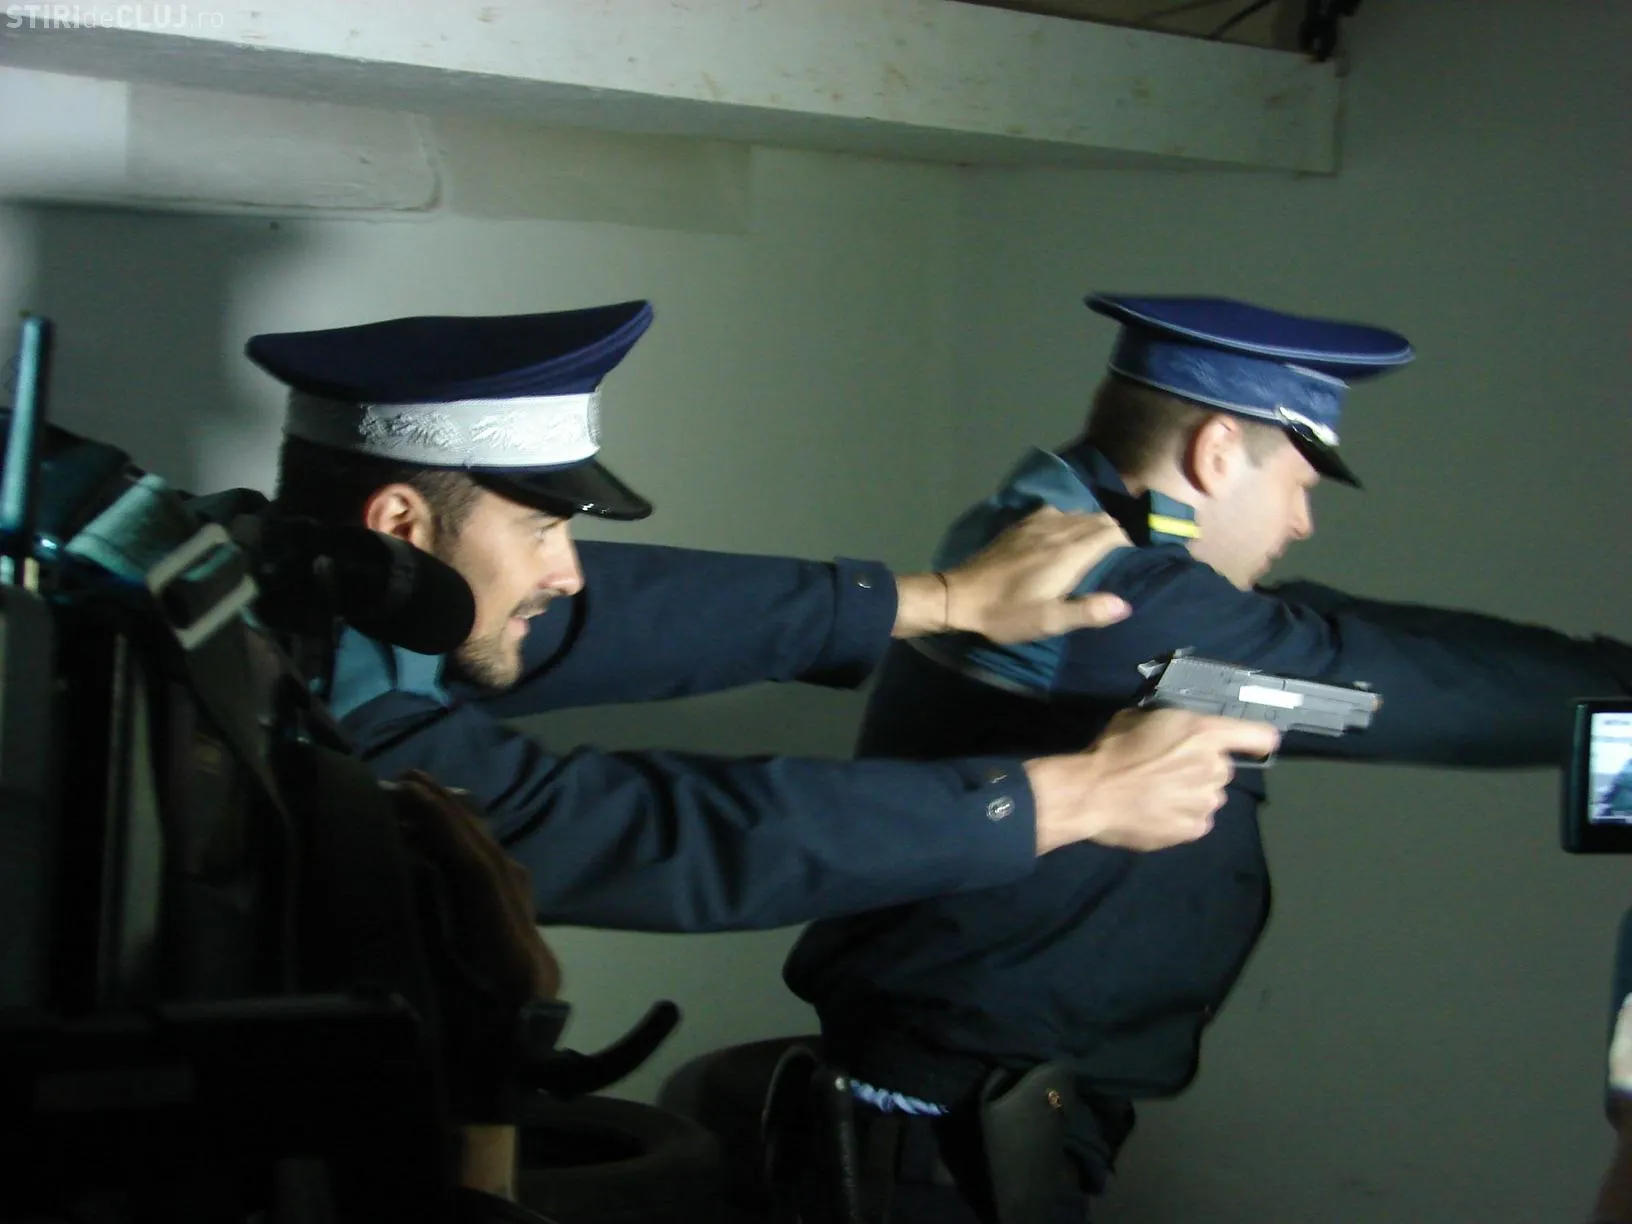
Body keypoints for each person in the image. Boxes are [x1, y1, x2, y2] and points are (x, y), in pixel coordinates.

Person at [781, 293, 1632, 1222]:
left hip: (963, 1124)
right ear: (1218, 451)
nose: (1301, 519)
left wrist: (1612, 676)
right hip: (941, 1153)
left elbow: (1336, 630)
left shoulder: (1076, 540)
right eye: (1300, 483)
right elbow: (1356, 682)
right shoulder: (1097, 597)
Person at [245, 300, 1280, 933]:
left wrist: (937, 601)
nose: (568, 572)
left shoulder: (290, 571)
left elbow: (619, 619)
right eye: (542, 528)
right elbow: (661, 834)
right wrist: (1069, 799)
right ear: (401, 523)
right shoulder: (322, 716)